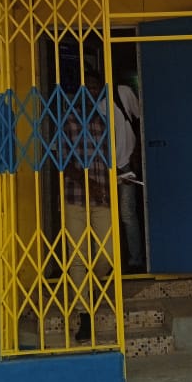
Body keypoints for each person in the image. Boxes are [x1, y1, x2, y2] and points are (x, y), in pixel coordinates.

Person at [63, 68, 114, 344]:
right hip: (75, 199)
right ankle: (84, 315)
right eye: (89, 87)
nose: (92, 92)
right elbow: (62, 163)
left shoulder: (104, 122)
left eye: (96, 88)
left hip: (102, 198)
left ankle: (91, 288)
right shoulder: (68, 121)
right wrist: (88, 183)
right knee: (78, 257)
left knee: (107, 253)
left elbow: (112, 158)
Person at [112, 78, 144, 272]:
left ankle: (135, 260)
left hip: (125, 164)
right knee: (104, 215)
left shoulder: (122, 92)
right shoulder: (88, 104)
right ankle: (109, 260)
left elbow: (141, 119)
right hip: (101, 168)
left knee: (127, 213)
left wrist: (137, 152)